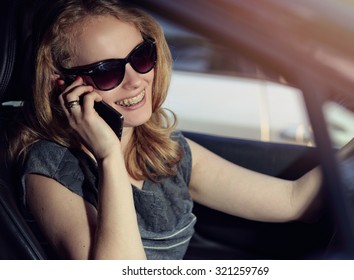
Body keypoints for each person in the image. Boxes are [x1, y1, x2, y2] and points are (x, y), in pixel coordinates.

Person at [8, 0, 322, 260]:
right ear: (63, 84)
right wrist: (109, 156)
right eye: (107, 72)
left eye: (141, 58)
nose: (135, 81)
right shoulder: (49, 169)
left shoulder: (163, 148)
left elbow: (294, 201)